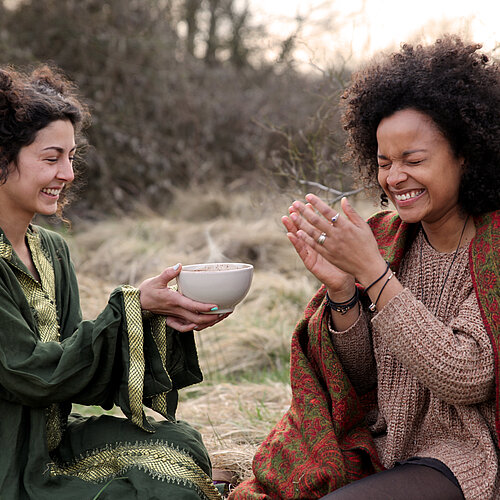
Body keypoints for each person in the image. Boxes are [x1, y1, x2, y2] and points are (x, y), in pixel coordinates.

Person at [229, 36, 499, 500]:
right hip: (383, 445)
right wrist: (342, 292)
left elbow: (467, 375)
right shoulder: (387, 239)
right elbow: (364, 379)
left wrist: (374, 276)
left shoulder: (493, 248)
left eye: (414, 160)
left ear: (466, 155)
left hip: (466, 456)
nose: (395, 178)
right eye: (384, 162)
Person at [0, 65, 229, 499]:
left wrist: (152, 314)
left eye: (71, 157)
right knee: (161, 493)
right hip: (7, 459)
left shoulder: (52, 250)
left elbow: (73, 367)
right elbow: (29, 374)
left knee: (181, 448)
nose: (67, 174)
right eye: (51, 158)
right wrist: (129, 306)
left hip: (52, 439)